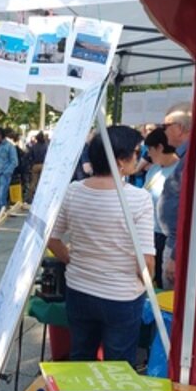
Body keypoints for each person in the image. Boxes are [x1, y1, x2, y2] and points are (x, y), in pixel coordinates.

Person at [47, 125, 155, 366]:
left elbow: (52, 238)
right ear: (119, 161)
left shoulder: (74, 191)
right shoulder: (138, 199)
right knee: (118, 367)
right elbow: (146, 261)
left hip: (79, 289)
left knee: (80, 359)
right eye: (136, 152)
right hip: (121, 295)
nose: (139, 157)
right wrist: (147, 279)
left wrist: (69, 259)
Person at [157, 102, 193, 288]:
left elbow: (190, 211)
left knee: (174, 301)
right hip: (176, 243)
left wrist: (176, 255)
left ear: (179, 128)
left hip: (179, 246)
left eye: (166, 126)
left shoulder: (192, 159)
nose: (163, 132)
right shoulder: (188, 156)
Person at [143, 127, 179, 288]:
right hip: (151, 233)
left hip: (170, 237)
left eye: (150, 149)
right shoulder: (154, 170)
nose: (148, 154)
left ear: (160, 147)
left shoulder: (180, 171)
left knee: (168, 279)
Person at [0, 126, 18, 210]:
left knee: (2, 194)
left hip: (4, 174)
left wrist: (7, 172)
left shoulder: (9, 146)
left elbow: (14, 161)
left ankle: (1, 212)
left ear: (1, 135)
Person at [27, 131, 48, 202]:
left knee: (33, 182)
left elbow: (29, 156)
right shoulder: (46, 146)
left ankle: (30, 197)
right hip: (43, 165)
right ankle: (42, 197)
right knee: (43, 182)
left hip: (35, 165)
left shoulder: (34, 146)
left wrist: (31, 164)